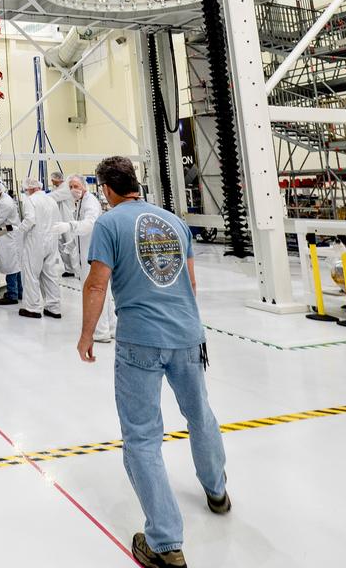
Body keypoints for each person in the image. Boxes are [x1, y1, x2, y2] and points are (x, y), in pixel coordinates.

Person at [78, 156, 229, 568]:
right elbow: (191, 282)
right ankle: (217, 491)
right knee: (200, 415)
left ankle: (165, 543)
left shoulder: (109, 225)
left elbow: (96, 283)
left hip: (140, 341)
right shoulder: (173, 221)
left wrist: (88, 334)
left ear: (106, 189)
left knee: (142, 438)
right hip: (187, 334)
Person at [53, 174, 111, 341]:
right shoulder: (80, 202)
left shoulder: (90, 202)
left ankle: (101, 332)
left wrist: (69, 226)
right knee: (100, 293)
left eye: (76, 186)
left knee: (95, 293)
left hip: (93, 255)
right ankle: (110, 328)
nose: (73, 190)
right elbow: (82, 231)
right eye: (70, 187)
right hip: (87, 254)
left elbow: (89, 224)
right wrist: (71, 244)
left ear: (84, 186)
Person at [16, 177, 62, 319]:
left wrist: (19, 230)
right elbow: (58, 221)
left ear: (29, 188)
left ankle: (33, 308)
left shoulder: (30, 200)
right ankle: (54, 308)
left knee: (31, 275)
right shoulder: (51, 200)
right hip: (52, 241)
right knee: (50, 275)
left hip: (35, 242)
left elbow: (30, 220)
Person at [49, 170, 76, 275]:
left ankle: (75, 269)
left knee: (70, 244)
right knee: (62, 246)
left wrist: (39, 196)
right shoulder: (58, 188)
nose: (51, 181)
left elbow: (53, 196)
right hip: (60, 221)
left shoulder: (65, 188)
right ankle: (69, 269)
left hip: (67, 220)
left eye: (52, 179)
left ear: (57, 179)